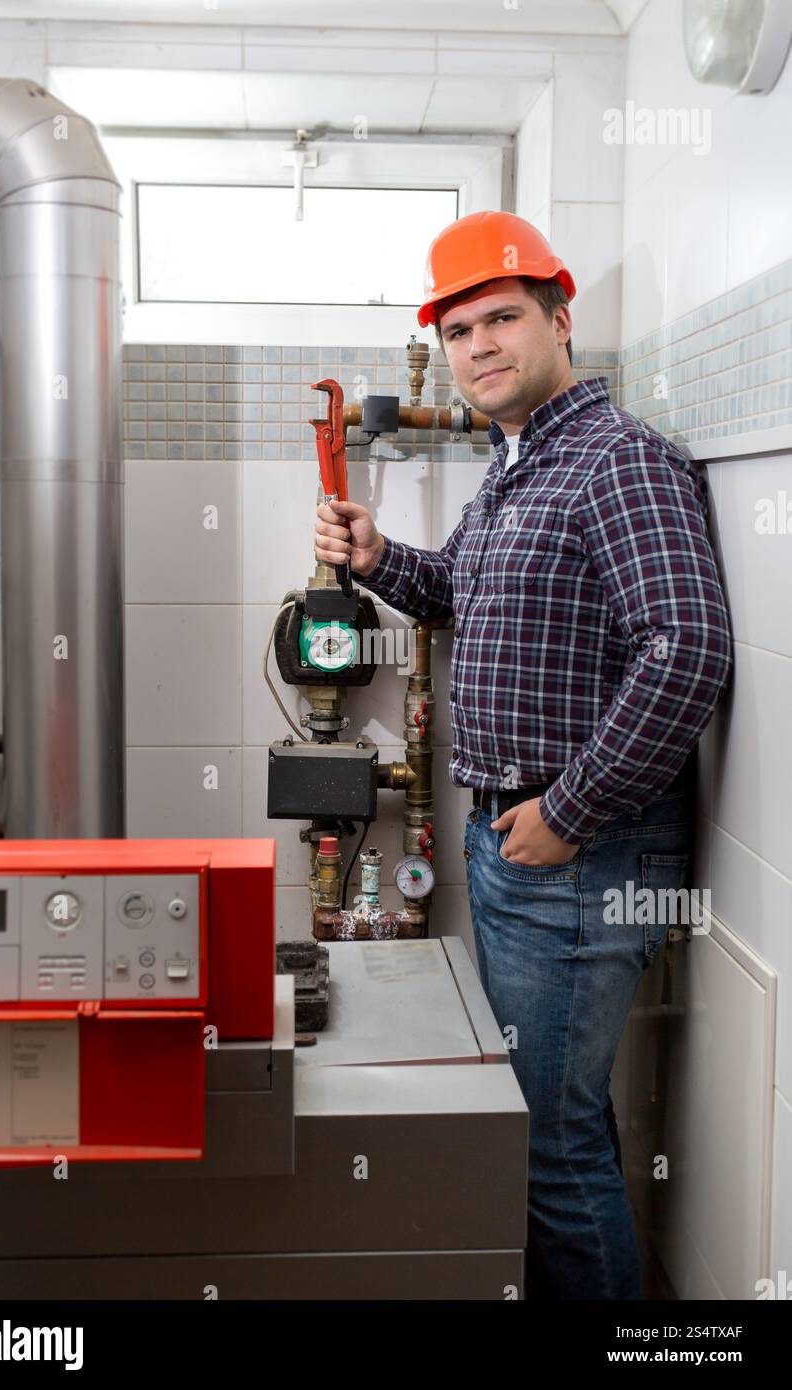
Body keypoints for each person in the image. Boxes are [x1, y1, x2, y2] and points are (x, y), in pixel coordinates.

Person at [314, 210, 733, 1300]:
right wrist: (377, 558)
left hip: (578, 854)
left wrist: (567, 814)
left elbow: (686, 651)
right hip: (525, 844)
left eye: (501, 318)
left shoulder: (617, 460)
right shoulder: (514, 469)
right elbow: (460, 593)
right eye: (457, 332)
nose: (478, 347)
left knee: (551, 1144)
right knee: (540, 1121)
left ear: (558, 318)